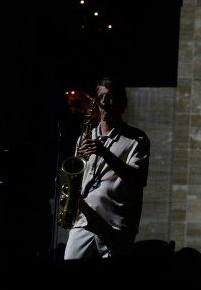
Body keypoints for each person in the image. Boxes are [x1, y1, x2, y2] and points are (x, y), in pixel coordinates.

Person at [63, 77, 150, 260]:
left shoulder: (136, 139)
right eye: (100, 97)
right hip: (84, 221)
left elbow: (138, 179)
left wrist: (104, 153)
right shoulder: (85, 137)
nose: (104, 102)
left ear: (122, 103)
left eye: (110, 97)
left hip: (115, 225)